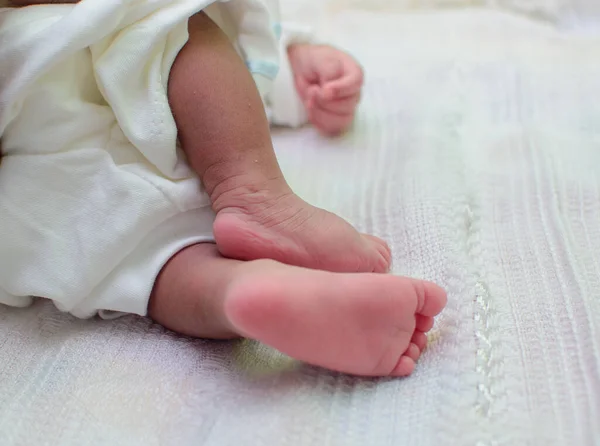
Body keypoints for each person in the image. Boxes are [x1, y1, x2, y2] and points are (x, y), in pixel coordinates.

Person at [0, 0, 447, 377]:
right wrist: (289, 67)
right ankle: (252, 190)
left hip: (33, 157)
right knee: (178, 28)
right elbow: (249, 43)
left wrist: (301, 64)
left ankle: (235, 291)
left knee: (137, 259)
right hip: (108, 58)